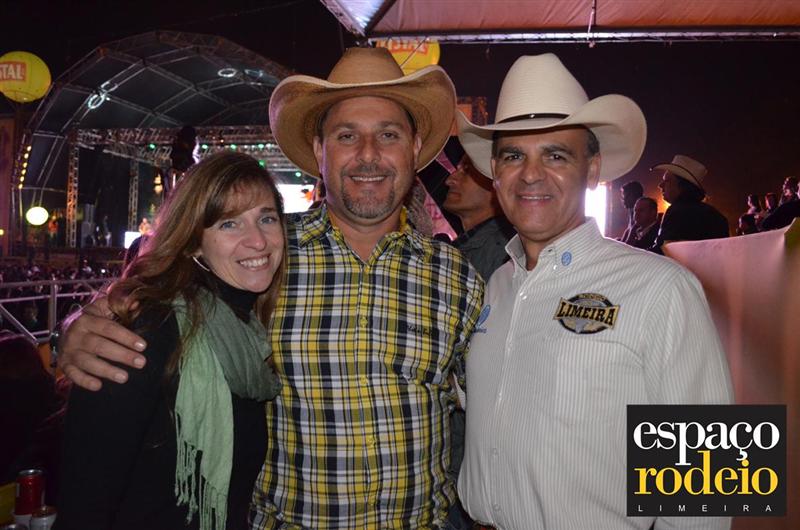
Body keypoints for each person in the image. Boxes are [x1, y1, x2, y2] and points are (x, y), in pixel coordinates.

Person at [56, 47, 483, 530]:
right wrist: (78, 327)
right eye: (347, 136)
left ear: (415, 147)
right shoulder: (261, 256)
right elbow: (159, 299)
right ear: (319, 150)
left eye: (388, 134)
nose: (368, 154)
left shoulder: (457, 276)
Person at [456, 53, 733, 530]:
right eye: (514, 155)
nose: (531, 174)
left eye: (555, 155)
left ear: (592, 170)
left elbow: (710, 490)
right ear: (495, 173)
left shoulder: (663, 287)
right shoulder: (496, 285)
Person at [56, 152, 285, 530]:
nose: (258, 240)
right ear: (193, 243)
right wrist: (67, 331)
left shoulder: (246, 332)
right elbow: (84, 505)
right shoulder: (143, 333)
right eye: (229, 223)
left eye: (266, 218)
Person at [442, 152, 515, 281]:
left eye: (467, 171)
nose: (449, 180)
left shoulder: (503, 250)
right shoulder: (478, 247)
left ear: (496, 183)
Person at [651, 154, 729, 253]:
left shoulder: (676, 212)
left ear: (681, 185)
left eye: (667, 180)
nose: (660, 185)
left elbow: (662, 252)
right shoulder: (718, 217)